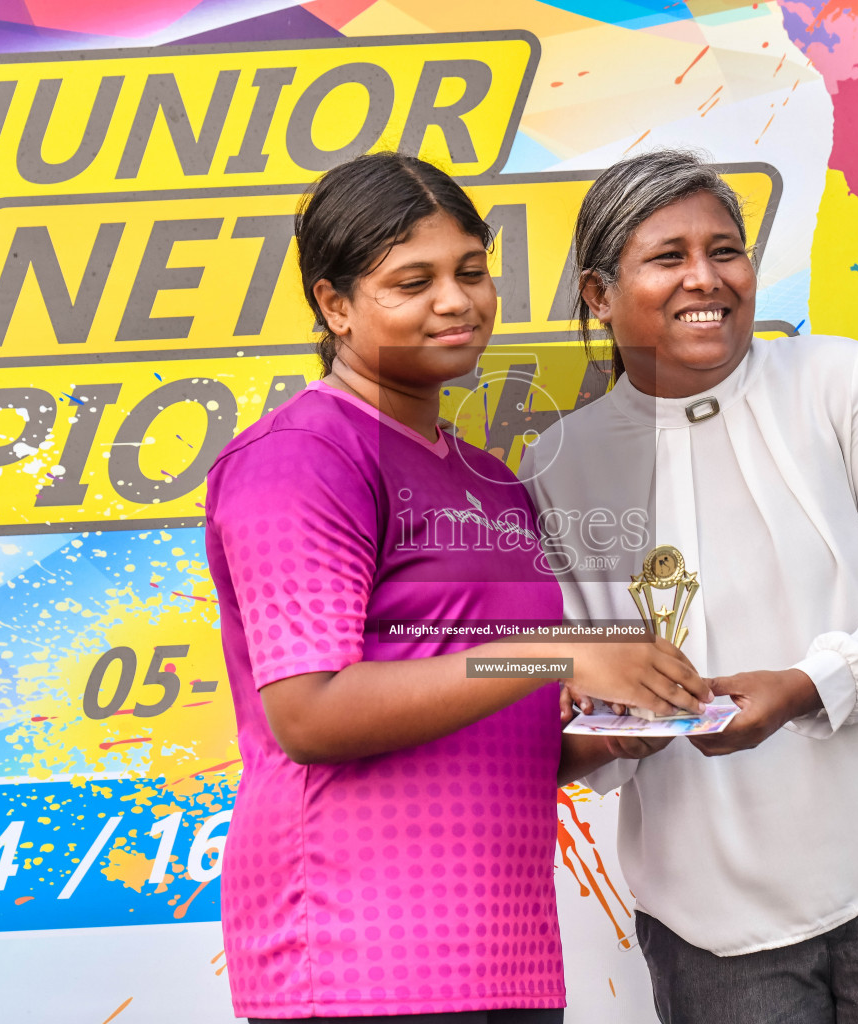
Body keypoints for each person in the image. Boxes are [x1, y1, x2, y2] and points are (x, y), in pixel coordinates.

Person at [203, 152, 709, 1023]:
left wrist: (610, 734)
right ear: (334, 304)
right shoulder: (303, 458)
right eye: (413, 280)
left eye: (472, 271)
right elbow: (313, 713)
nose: (456, 300)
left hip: (501, 953)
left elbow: (486, 708)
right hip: (357, 951)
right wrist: (556, 653)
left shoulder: (492, 481)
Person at [522, 150, 858, 1023]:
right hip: (711, 915)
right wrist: (613, 733)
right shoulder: (562, 464)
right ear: (598, 294)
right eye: (667, 256)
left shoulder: (839, 380)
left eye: (726, 249)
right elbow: (576, 675)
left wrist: (803, 687)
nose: (705, 278)